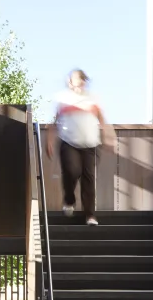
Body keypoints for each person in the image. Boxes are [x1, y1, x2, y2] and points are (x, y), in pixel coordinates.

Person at [48, 69, 114, 225]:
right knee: (72, 171)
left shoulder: (93, 99)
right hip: (68, 142)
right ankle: (69, 200)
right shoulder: (62, 99)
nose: (79, 84)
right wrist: (49, 140)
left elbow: (102, 119)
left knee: (88, 178)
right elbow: (53, 122)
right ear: (70, 83)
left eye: (82, 81)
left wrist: (109, 137)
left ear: (85, 82)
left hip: (91, 144)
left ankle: (90, 215)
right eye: (76, 81)